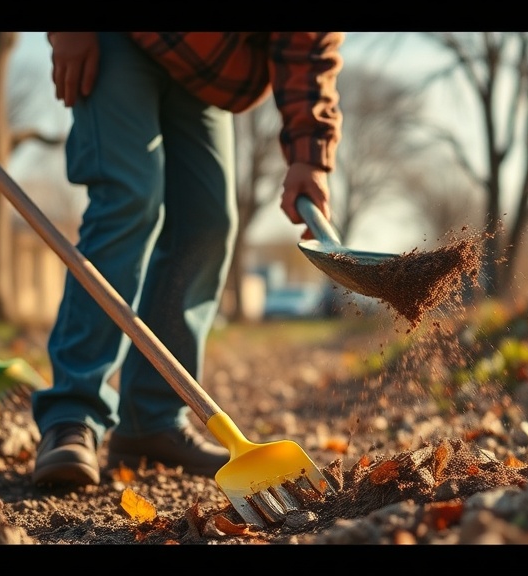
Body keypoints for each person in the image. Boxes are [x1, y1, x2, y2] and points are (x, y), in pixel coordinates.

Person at [32, 31, 343, 486]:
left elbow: (309, 43)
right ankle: (72, 414)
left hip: (208, 72)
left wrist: (309, 156)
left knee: (208, 223)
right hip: (115, 40)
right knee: (130, 199)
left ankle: (150, 421)